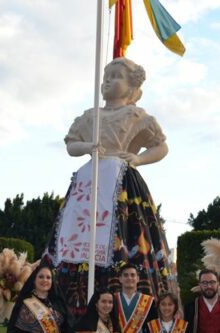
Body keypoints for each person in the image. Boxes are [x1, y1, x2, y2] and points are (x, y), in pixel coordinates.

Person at [43, 57, 174, 319]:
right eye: (106, 76)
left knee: (124, 239)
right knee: (75, 232)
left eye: (116, 76)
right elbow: (71, 144)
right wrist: (87, 148)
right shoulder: (90, 116)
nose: (108, 81)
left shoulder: (138, 116)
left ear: (131, 85)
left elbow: (161, 147)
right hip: (88, 182)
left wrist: (138, 159)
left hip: (123, 183)